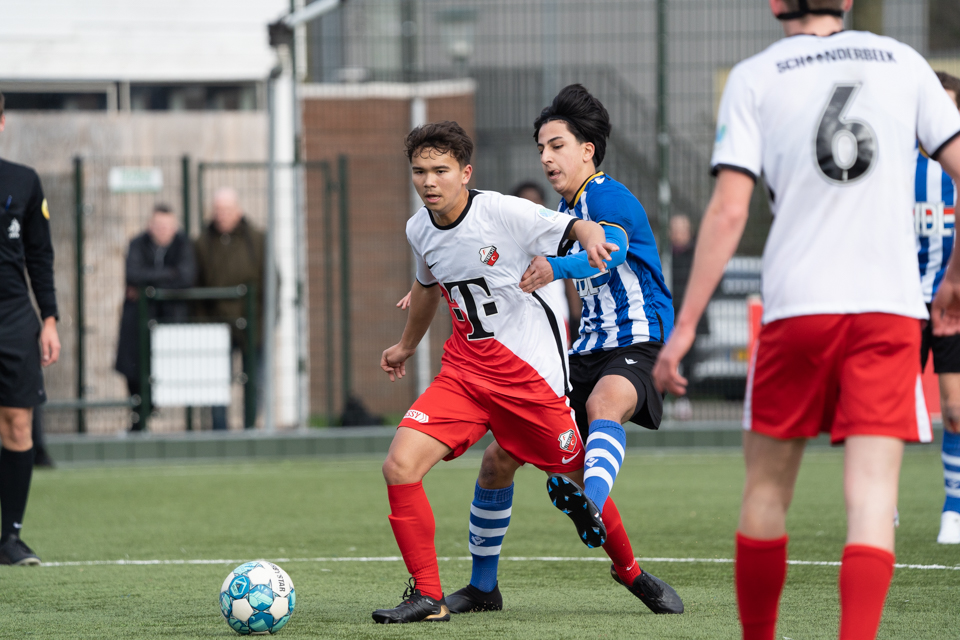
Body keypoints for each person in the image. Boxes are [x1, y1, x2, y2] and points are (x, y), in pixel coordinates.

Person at [652, 2, 960, 639]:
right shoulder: (904, 63)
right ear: (845, 1)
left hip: (798, 308)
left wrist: (683, 329)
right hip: (890, 311)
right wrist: (954, 279)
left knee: (766, 490)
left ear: (773, 3)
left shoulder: (756, 75)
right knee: (873, 499)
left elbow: (730, 213)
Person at [443, 84, 682, 616]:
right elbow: (503, 253)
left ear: (587, 150)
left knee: (605, 407)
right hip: (583, 352)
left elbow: (609, 249)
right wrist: (434, 280)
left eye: (556, 146)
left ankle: (592, 508)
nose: (546, 157)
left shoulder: (608, 196)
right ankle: (484, 587)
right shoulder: (562, 210)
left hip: (635, 341)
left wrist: (558, 266)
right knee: (499, 459)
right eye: (541, 149)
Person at [373, 120, 615, 624]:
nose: (429, 182)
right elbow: (424, 289)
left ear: (466, 172)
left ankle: (631, 571)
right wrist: (404, 346)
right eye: (419, 171)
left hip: (527, 380)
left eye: (440, 170)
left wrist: (591, 232)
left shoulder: (502, 211)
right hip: (463, 375)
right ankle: (429, 596)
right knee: (399, 465)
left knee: (575, 480)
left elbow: (572, 227)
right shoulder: (418, 228)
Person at [0, 91, 61, 565]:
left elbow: (40, 256)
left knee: (17, 423)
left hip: (14, 317)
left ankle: (11, 538)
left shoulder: (23, 181)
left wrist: (50, 320)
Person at [915, 71, 960, 544]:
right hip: (902, 304)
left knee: (954, 407)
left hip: (951, 305)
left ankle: (954, 507)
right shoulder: (895, 171)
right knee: (886, 410)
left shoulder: (955, 173)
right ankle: (882, 506)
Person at [115, 203, 196, 431]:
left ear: (175, 226)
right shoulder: (137, 243)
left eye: (166, 226)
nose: (162, 230)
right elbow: (133, 274)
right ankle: (139, 421)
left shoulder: (183, 245)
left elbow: (187, 277)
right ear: (150, 225)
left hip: (172, 321)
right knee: (134, 370)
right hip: (138, 322)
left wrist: (148, 285)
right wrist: (170, 275)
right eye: (157, 225)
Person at [194, 188, 267, 431]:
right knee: (216, 382)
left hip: (252, 325)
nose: (221, 215)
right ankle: (219, 431)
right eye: (217, 210)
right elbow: (197, 283)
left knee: (254, 382)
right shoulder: (203, 243)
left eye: (226, 210)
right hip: (216, 326)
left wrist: (265, 322)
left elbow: (270, 282)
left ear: (238, 210)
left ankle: (249, 427)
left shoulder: (257, 240)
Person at [511, 180, 580, 345]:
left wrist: (576, 319)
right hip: (520, 324)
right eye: (525, 203)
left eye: (535, 202)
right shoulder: (508, 242)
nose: (531, 208)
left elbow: (569, 283)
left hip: (556, 318)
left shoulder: (555, 239)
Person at [669, 213, 708, 419]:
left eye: (682, 230)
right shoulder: (665, 256)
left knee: (690, 361)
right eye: (674, 230)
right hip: (670, 316)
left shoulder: (697, 254)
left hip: (693, 318)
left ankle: (685, 400)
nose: (678, 235)